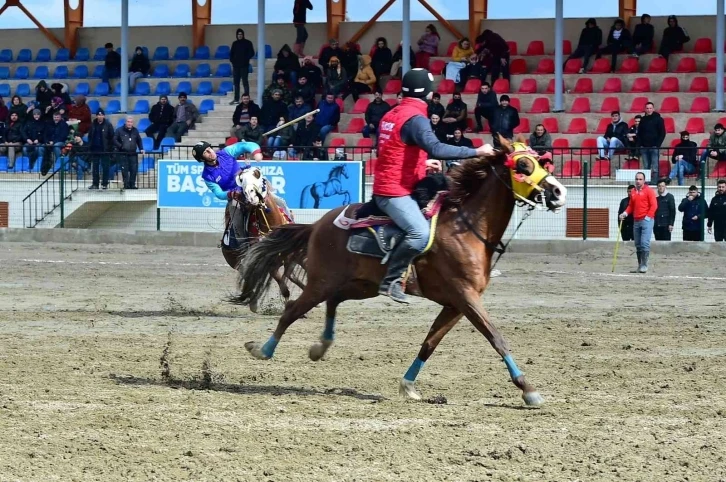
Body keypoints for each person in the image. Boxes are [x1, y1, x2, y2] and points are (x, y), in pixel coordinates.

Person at [373, 68, 492, 303]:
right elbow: (436, 148)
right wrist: (477, 151)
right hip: (394, 191)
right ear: (427, 93)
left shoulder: (392, 113)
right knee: (420, 234)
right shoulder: (416, 118)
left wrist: (422, 163)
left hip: (397, 182)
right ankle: (391, 280)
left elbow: (391, 150)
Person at [193, 140, 291, 220]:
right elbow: (218, 193)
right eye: (206, 152)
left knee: (279, 201)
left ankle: (290, 222)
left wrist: (256, 152)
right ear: (202, 159)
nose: (210, 152)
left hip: (248, 185)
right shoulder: (207, 176)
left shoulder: (226, 152)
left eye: (209, 148)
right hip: (236, 197)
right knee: (237, 221)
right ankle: (241, 242)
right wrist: (231, 194)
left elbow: (245, 145)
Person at [619, 171, 656, 273]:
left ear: (644, 180)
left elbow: (654, 205)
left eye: (640, 179)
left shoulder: (649, 191)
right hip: (636, 221)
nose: (638, 181)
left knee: (644, 243)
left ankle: (644, 265)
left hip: (646, 220)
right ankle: (640, 265)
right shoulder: (634, 192)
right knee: (638, 244)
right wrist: (625, 213)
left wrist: (648, 217)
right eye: (637, 179)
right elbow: (631, 206)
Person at [87, 108, 115, 190]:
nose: (100, 116)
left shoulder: (108, 125)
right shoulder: (93, 124)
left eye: (101, 115)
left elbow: (111, 137)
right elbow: (90, 136)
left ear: (104, 116)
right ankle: (95, 184)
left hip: (105, 150)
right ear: (96, 116)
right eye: (98, 115)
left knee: (105, 167)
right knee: (95, 167)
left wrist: (110, 148)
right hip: (95, 149)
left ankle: (104, 184)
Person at [113, 116, 144, 190]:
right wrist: (121, 146)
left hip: (133, 153)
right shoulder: (119, 130)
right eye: (128, 122)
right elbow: (114, 140)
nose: (130, 123)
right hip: (123, 153)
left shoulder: (135, 131)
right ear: (125, 122)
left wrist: (141, 148)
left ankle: (132, 184)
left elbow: (139, 140)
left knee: (134, 169)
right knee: (125, 170)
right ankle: (126, 185)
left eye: (131, 122)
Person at [229, 29, 255, 104]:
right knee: (236, 83)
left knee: (245, 82)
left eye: (241, 34)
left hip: (244, 66)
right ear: (237, 35)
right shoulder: (235, 43)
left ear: (243, 35)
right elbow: (231, 54)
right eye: (238, 34)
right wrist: (233, 61)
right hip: (236, 66)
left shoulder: (248, 43)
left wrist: (246, 59)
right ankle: (236, 99)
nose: (239, 35)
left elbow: (252, 53)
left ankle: (247, 99)